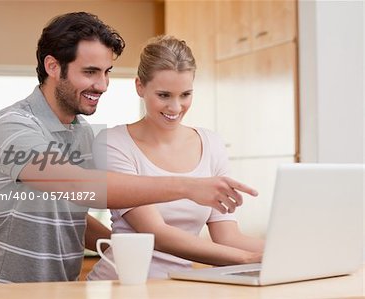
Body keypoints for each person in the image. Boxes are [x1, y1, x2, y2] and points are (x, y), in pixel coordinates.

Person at [0, 12, 258, 283]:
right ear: (52, 66)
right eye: (90, 72)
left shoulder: (80, 133)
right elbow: (78, 185)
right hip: (8, 288)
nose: (102, 85)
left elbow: (71, 216)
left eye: (106, 72)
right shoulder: (13, 126)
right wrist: (188, 187)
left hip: (62, 286)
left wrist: (124, 244)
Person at [87, 35, 264, 280]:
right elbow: (155, 234)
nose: (176, 107)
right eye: (164, 95)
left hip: (179, 287)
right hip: (121, 286)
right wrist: (247, 260)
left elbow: (227, 237)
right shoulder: (113, 143)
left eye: (185, 94)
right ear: (140, 86)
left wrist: (289, 252)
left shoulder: (211, 144)